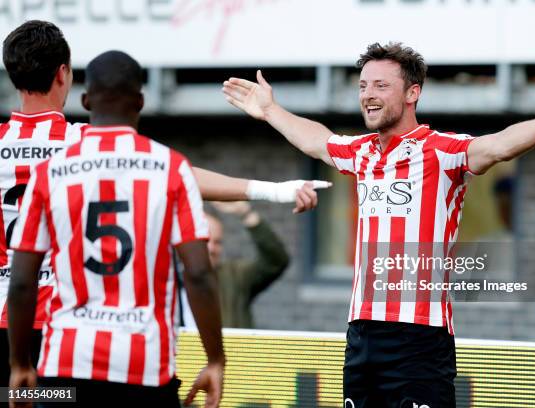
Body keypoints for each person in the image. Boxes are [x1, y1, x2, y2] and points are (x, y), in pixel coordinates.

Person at [222, 42, 535, 407]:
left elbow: (497, 147)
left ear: (413, 93)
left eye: (381, 85)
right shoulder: (362, 153)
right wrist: (270, 109)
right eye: (363, 86)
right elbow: (317, 141)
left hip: (420, 337)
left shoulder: (442, 150)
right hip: (361, 334)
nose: (368, 95)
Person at [0, 19, 327, 392]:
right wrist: (274, 190)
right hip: (65, 327)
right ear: (64, 74)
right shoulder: (85, 141)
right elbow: (181, 176)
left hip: (13, 328)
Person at [8, 50, 224, 407]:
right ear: (140, 101)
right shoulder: (170, 168)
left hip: (65, 367)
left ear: (86, 99)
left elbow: (22, 281)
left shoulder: (49, 172)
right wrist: (215, 359)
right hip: (144, 369)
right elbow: (199, 273)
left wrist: (19, 365)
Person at [181, 201, 289, 329]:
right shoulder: (169, 282)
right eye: (205, 240)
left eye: (217, 242)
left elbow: (276, 260)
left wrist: (246, 213)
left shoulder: (234, 278)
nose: (211, 248)